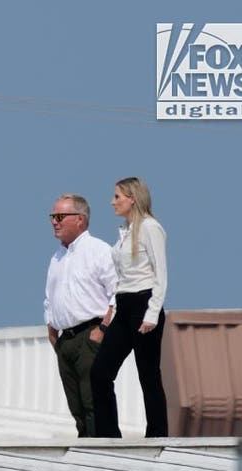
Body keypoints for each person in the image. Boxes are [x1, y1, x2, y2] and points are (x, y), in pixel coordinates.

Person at [92, 177, 169, 437]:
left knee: (148, 374)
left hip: (143, 304)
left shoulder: (150, 227)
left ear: (132, 198)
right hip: (124, 306)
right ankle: (107, 436)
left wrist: (152, 313)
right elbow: (120, 278)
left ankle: (157, 435)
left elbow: (161, 274)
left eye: (117, 197)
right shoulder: (125, 232)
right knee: (100, 371)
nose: (112, 202)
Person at [43, 194, 117, 437]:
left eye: (60, 216)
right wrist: (52, 331)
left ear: (80, 219)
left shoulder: (98, 250)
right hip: (66, 341)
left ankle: (104, 454)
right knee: (76, 406)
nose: (54, 222)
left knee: (93, 402)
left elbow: (117, 293)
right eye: (53, 217)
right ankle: (86, 453)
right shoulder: (56, 258)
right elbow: (49, 297)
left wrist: (103, 330)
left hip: (90, 335)